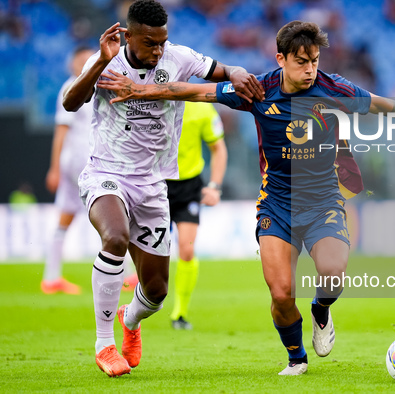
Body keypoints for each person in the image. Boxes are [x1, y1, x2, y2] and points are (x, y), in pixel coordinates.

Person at [98, 20, 395, 375]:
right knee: (281, 293)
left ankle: (320, 310)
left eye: (314, 60)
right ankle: (297, 358)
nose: (311, 69)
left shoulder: (333, 88)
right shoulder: (257, 89)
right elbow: (192, 91)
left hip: (323, 202)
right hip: (277, 206)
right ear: (281, 58)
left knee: (332, 275)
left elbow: (380, 104)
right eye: (302, 61)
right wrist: (140, 90)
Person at [62, 0, 263, 377]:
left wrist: (236, 71)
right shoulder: (106, 61)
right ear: (130, 36)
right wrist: (100, 65)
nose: (158, 50)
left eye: (162, 42)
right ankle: (104, 344)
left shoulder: (178, 57)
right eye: (150, 43)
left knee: (156, 291)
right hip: (107, 173)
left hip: (154, 183)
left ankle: (130, 321)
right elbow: (71, 103)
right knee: (116, 238)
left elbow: (221, 68)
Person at [168, 101, 227, 330]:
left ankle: (179, 313)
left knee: (187, 249)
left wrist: (214, 186)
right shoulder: (152, 102)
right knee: (152, 251)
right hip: (155, 183)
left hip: (189, 187)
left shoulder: (202, 109)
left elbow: (218, 148)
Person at [41, 46, 95, 295]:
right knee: (113, 213)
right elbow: (61, 130)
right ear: (72, 63)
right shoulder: (72, 88)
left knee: (65, 217)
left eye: (89, 59)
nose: (85, 64)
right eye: (81, 60)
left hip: (75, 163)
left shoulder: (94, 86)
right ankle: (126, 274)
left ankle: (51, 278)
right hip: (81, 163)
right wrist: (54, 168)